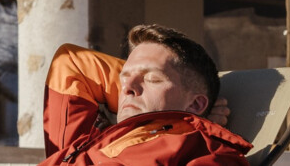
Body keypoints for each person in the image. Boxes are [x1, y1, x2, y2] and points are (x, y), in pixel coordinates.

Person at [40, 24, 246, 166]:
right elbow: (71, 62)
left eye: (153, 79)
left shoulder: (208, 154)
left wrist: (188, 118)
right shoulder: (92, 141)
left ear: (196, 103)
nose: (127, 87)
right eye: (124, 78)